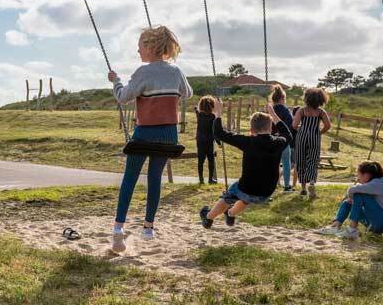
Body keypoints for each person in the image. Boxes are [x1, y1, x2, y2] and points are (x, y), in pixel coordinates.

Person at [107, 25, 192, 253]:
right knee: (155, 178)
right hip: (168, 136)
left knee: (130, 178)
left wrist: (116, 81)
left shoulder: (142, 72)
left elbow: (123, 97)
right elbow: (188, 93)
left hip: (145, 133)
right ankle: (148, 228)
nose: (137, 51)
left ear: (151, 47)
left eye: (139, 47)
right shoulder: (176, 72)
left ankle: (118, 229)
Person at [200, 111, 291, 228]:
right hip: (266, 193)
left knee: (230, 195)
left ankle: (208, 218)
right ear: (271, 128)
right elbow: (288, 134)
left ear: (251, 130)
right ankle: (230, 214)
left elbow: (219, 133)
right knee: (245, 198)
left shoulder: (248, 141)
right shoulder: (278, 142)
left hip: (246, 189)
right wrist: (274, 115)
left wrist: (218, 115)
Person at [316, 161, 383, 238]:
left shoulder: (378, 184)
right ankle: (335, 226)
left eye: (359, 175)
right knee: (348, 203)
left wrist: (351, 196)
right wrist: (351, 200)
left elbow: (352, 190)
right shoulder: (377, 182)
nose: (358, 178)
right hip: (380, 222)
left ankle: (352, 229)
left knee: (358, 194)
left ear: (366, 175)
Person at [293, 88, 331, 199]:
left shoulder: (302, 110)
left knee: (301, 161)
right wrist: (319, 133)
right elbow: (328, 126)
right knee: (313, 161)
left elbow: (294, 125)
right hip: (315, 137)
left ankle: (303, 189)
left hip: (302, 137)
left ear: (306, 98)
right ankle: (312, 183)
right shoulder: (321, 112)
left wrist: (302, 128)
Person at [268, 85, 296, 192]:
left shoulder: (270, 110)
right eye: (284, 98)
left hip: (272, 139)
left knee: (273, 164)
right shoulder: (285, 110)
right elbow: (291, 124)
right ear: (281, 99)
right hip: (283, 139)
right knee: (286, 163)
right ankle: (287, 186)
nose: (285, 100)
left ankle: (272, 186)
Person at [195, 96, 220, 185]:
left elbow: (196, 108)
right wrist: (219, 142)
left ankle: (201, 180)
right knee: (211, 160)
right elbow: (215, 131)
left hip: (200, 140)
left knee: (200, 160)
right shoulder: (213, 117)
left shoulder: (199, 114)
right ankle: (210, 179)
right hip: (210, 140)